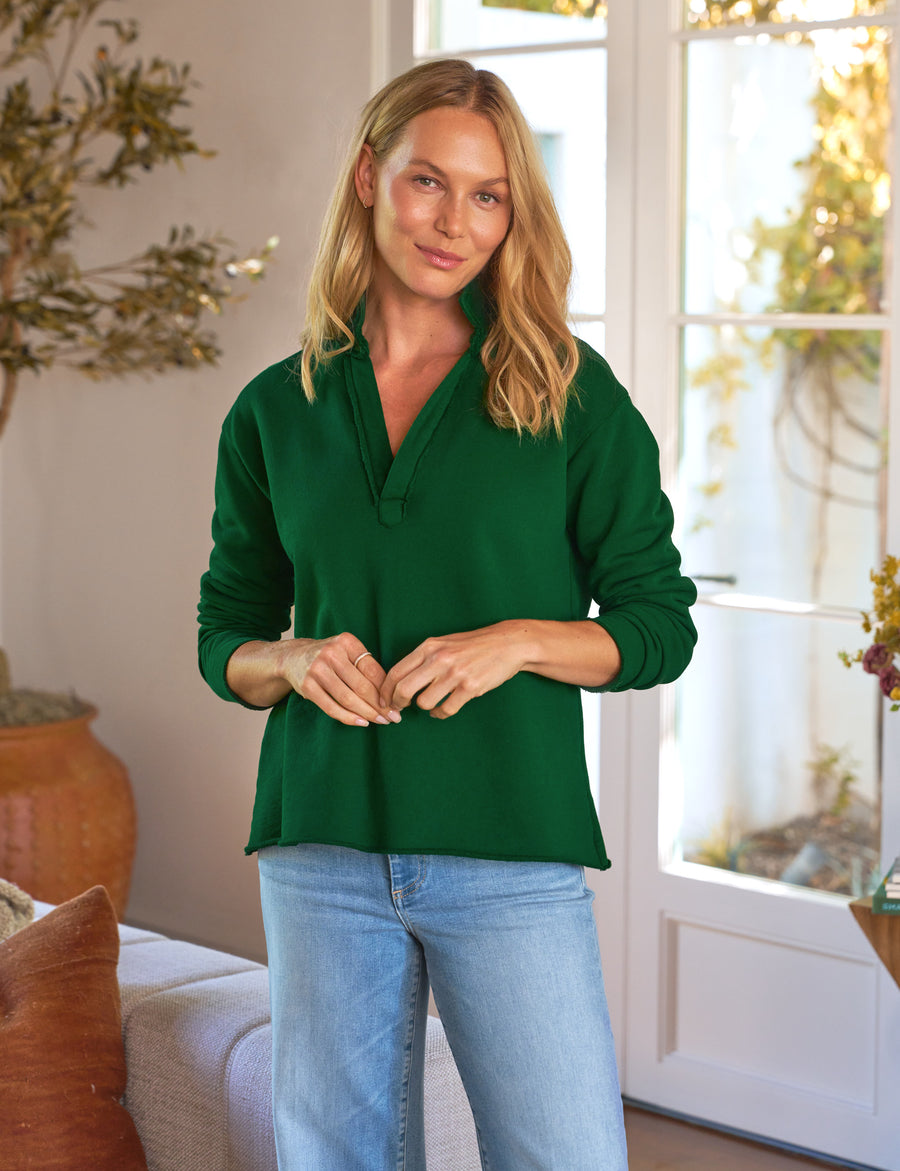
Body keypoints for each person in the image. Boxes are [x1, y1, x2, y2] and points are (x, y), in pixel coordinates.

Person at [198, 58, 696, 1171]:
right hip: (318, 843)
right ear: (371, 176)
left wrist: (516, 639)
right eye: (429, 181)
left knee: (565, 1154)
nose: (454, 221)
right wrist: (288, 658)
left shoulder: (568, 394)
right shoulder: (277, 410)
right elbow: (224, 632)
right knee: (335, 1157)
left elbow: (660, 623)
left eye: (489, 195)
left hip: (508, 848)